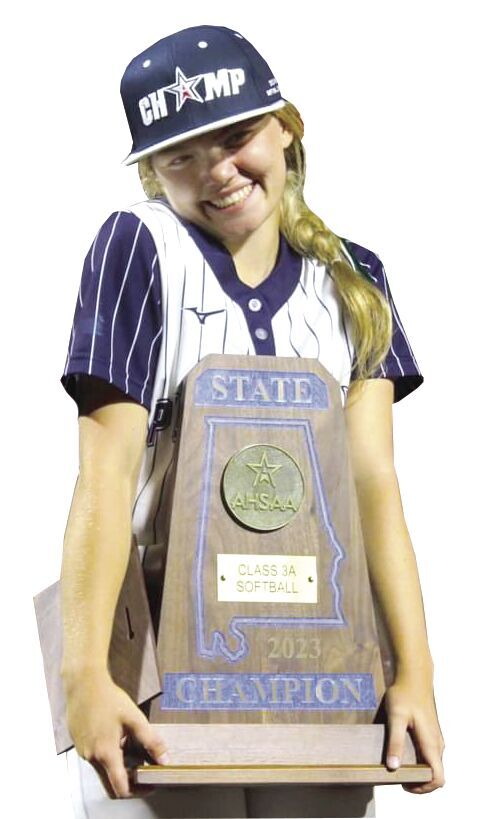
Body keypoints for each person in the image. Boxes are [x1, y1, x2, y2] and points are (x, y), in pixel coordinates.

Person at [59, 24, 445, 819]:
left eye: (236, 137)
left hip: (321, 653)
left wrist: (416, 671)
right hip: (165, 653)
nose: (217, 172)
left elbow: (375, 489)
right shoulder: (141, 247)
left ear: (286, 128)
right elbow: (105, 476)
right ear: (152, 170)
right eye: (181, 156)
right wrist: (84, 673)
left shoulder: (355, 277)